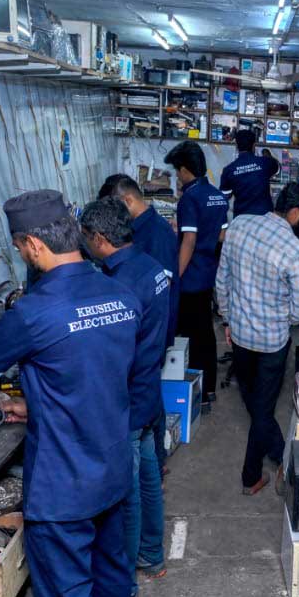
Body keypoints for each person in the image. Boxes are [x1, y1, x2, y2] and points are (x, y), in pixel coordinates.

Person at [0, 190, 140, 597]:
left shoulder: (32, 311)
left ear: (34, 245)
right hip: (111, 465)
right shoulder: (121, 295)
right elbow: (92, 374)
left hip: (64, 480)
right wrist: (38, 402)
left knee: (66, 591)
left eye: (20, 248)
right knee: (109, 568)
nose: (22, 255)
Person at [80, 198, 171, 597]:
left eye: (86, 238)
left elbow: (112, 352)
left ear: (100, 238)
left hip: (127, 401)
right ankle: (152, 556)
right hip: (149, 391)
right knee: (149, 479)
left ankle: (125, 587)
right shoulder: (150, 267)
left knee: (127, 495)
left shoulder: (118, 284)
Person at [215, 180, 299, 494]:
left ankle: (277, 453)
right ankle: (252, 476)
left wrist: (228, 318)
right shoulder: (296, 251)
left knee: (254, 402)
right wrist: (278, 318)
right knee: (262, 409)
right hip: (272, 343)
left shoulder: (239, 225)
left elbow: (222, 281)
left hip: (240, 337)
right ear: (295, 212)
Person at [100, 173, 180, 474]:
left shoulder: (156, 232)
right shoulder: (141, 227)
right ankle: (156, 463)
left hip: (152, 329)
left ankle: (156, 462)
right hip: (149, 330)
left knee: (147, 401)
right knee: (149, 395)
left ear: (127, 200)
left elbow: (161, 286)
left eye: (113, 206)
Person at [164, 141, 229, 411]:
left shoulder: (189, 198)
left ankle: (194, 393)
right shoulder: (217, 195)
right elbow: (222, 235)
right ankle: (209, 388)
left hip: (190, 278)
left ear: (185, 169)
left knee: (188, 337)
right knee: (206, 333)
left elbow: (188, 241)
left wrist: (174, 278)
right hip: (208, 274)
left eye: (177, 171)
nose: (177, 177)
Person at [219, 129, 279, 217]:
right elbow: (277, 168)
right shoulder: (265, 162)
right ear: (254, 146)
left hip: (242, 219)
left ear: (236, 146)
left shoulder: (228, 170)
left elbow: (225, 196)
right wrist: (266, 154)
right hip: (264, 218)